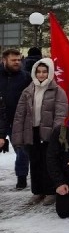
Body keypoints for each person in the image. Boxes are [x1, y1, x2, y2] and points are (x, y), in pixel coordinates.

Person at [12, 58, 68, 205]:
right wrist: (18, 136)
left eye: (44, 72)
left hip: (49, 134)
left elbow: (60, 114)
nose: (41, 75)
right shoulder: (28, 91)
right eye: (39, 72)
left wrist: (55, 134)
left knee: (48, 162)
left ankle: (51, 191)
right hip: (32, 132)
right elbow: (20, 115)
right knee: (35, 162)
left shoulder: (57, 91)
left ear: (50, 73)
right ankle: (38, 191)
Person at [0, 48, 31, 189]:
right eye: (13, 60)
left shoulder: (26, 77)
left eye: (19, 60)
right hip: (0, 119)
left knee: (22, 150)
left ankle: (22, 177)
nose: (17, 62)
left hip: (17, 120)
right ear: (4, 60)